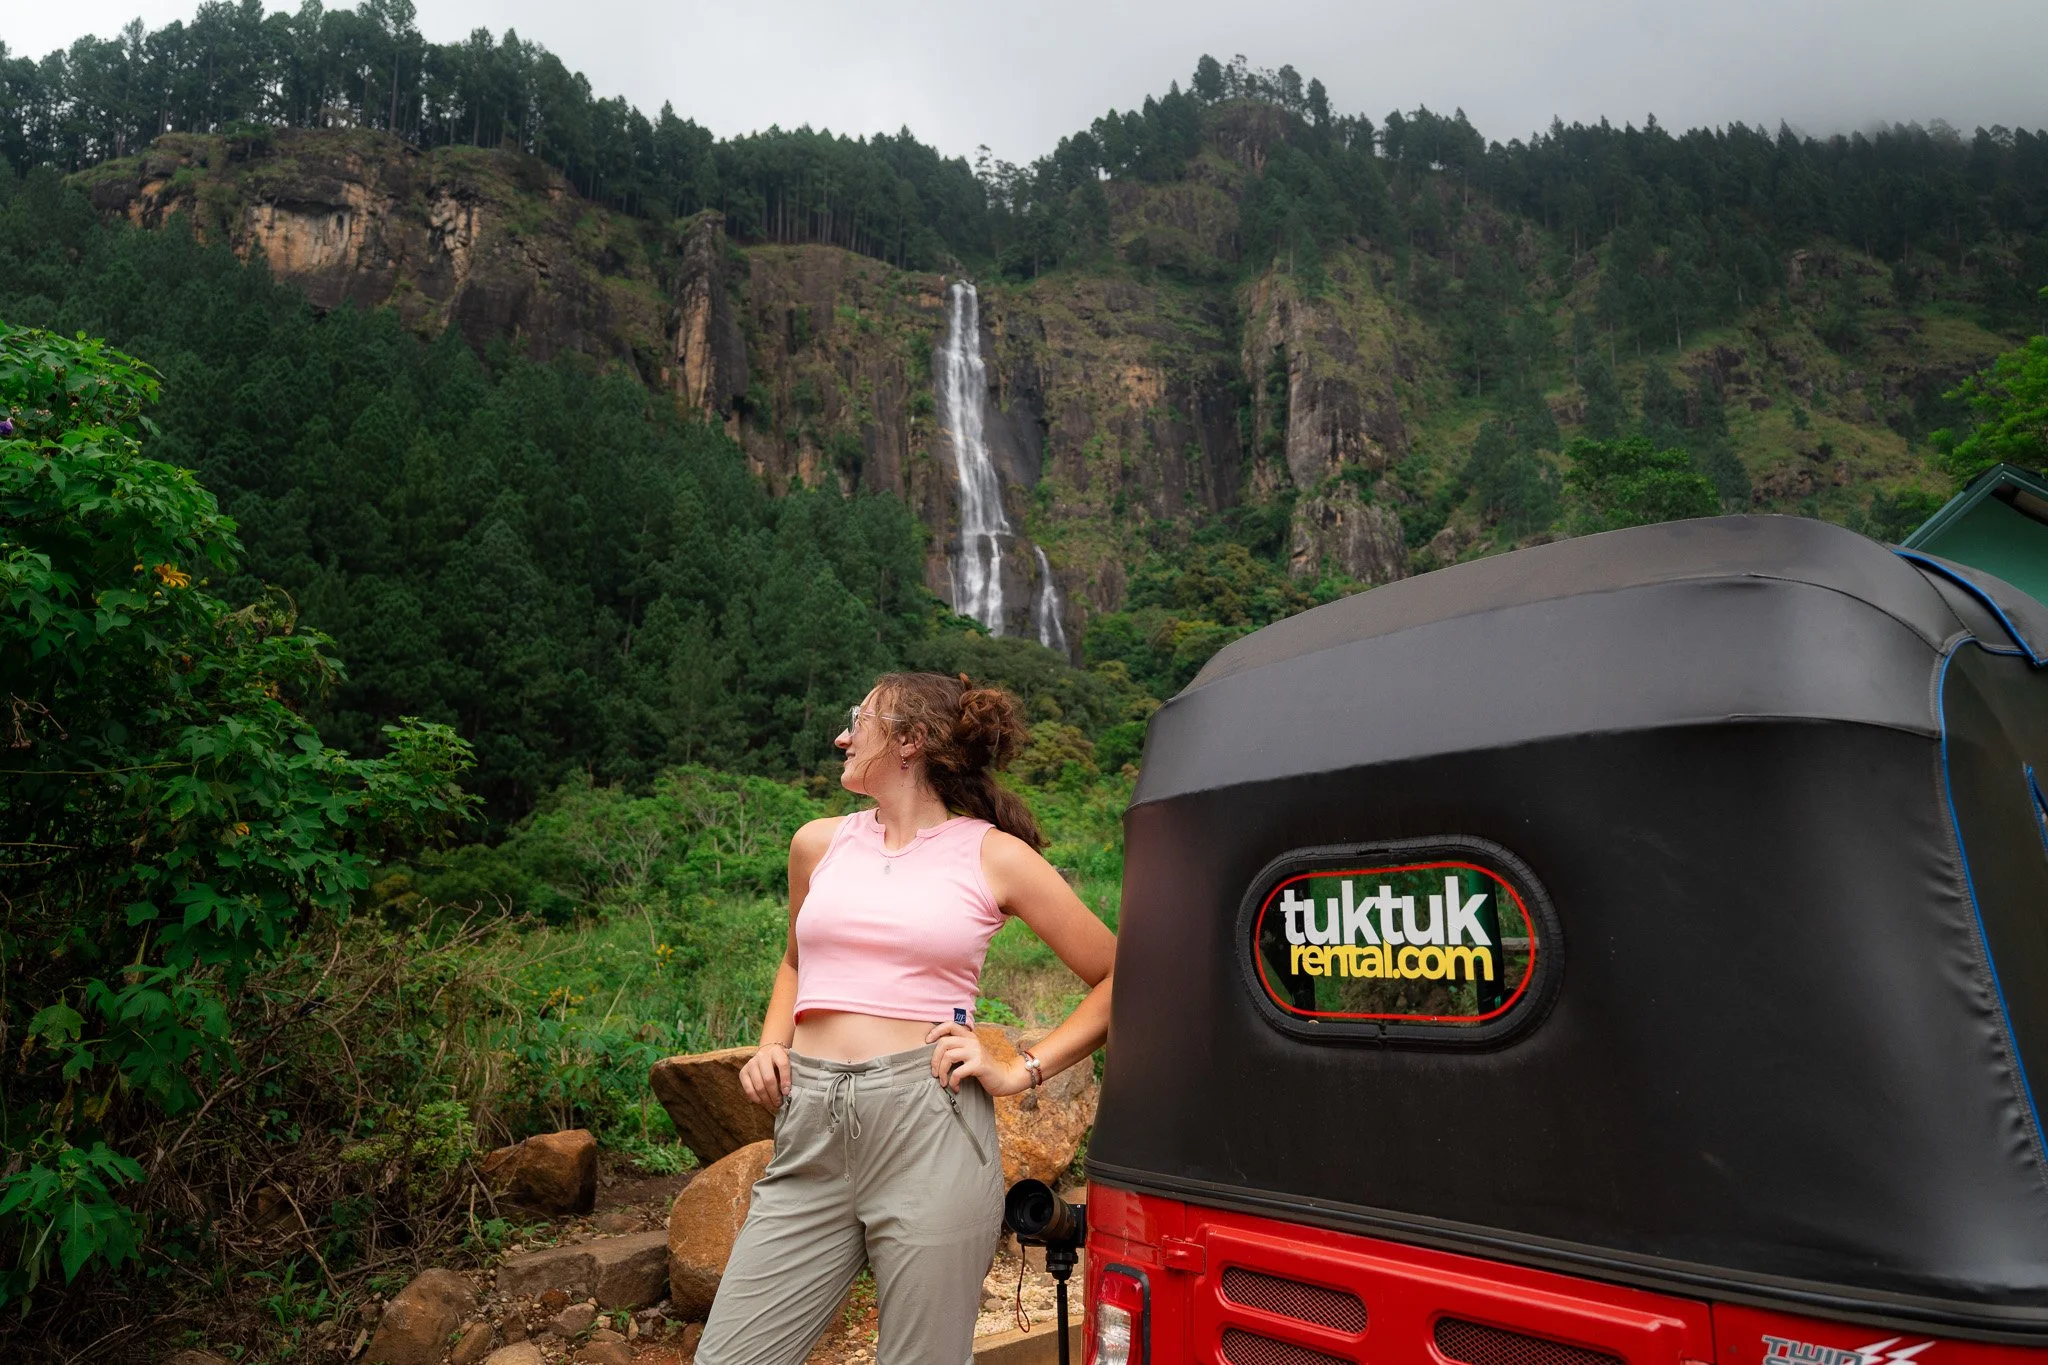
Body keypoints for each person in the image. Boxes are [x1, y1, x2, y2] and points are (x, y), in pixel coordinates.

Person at [695, 671, 1116, 1365]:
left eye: (857, 719)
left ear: (909, 741)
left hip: (930, 1126)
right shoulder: (817, 844)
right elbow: (796, 962)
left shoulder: (995, 855)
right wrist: (772, 1042)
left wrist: (1021, 1067)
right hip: (812, 1125)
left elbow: (1116, 973)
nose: (841, 735)